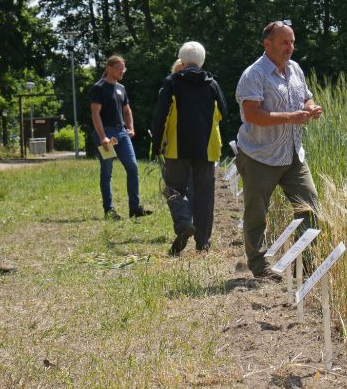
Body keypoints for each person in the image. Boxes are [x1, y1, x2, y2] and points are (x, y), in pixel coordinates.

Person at [234, 20, 323, 279]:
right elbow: (252, 115)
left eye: (292, 41)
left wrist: (310, 107)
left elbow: (306, 95)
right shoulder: (254, 74)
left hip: (294, 154)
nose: (290, 47)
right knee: (256, 214)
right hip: (260, 155)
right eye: (285, 42)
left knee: (311, 208)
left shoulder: (295, 68)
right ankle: (260, 267)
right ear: (267, 44)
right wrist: (290, 117)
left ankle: (306, 264)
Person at [152, 42, 227, 255]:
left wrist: (156, 145)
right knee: (205, 195)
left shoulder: (172, 82)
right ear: (202, 61)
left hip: (177, 148)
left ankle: (184, 223)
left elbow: (160, 116)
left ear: (181, 61)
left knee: (174, 188)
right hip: (207, 149)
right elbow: (224, 112)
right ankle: (203, 243)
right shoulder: (212, 84)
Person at [90, 55, 153, 220]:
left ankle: (135, 208)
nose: (122, 71)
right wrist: (102, 137)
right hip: (106, 135)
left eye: (123, 68)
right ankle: (109, 211)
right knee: (107, 171)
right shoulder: (99, 88)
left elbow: (127, 110)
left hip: (122, 134)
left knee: (132, 167)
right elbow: (95, 114)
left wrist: (130, 127)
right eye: (119, 68)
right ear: (109, 68)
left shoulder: (121, 88)